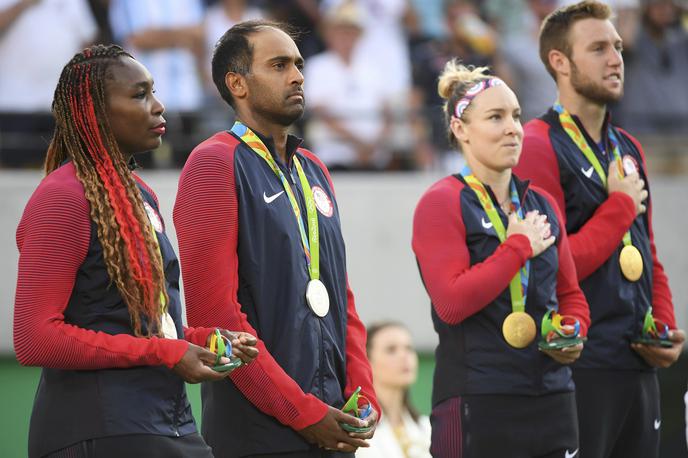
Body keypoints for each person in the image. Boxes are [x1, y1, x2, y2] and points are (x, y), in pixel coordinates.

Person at [13, 44, 258, 458]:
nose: (159, 107)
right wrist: (167, 350)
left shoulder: (138, 192)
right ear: (94, 111)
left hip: (166, 423)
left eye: (154, 92)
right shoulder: (62, 197)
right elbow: (34, 339)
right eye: (139, 94)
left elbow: (132, 324)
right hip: (98, 431)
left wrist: (198, 340)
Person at [173, 20, 380, 458]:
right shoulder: (212, 164)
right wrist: (304, 414)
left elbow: (341, 297)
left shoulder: (315, 170)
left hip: (335, 424)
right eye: (279, 65)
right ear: (238, 84)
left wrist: (363, 394)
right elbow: (217, 314)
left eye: (299, 64)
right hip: (259, 434)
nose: (298, 75)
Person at [513, 2, 685, 457]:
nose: (615, 59)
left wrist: (663, 323)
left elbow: (646, 250)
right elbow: (554, 266)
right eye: (598, 48)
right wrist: (620, 206)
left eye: (618, 47)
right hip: (578, 366)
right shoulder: (535, 145)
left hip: (639, 363)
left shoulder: (627, 147)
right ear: (560, 62)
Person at [412, 60, 591, 457]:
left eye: (516, 115)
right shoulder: (441, 202)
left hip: (553, 397)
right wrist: (517, 248)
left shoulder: (540, 203)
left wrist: (572, 330)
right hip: (479, 399)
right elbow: (452, 303)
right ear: (461, 129)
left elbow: (571, 295)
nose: (513, 127)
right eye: (495, 117)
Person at [356, 322, 431, 458]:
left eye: (409, 348)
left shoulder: (428, 427)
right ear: (367, 361)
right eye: (391, 349)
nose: (404, 356)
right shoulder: (356, 429)